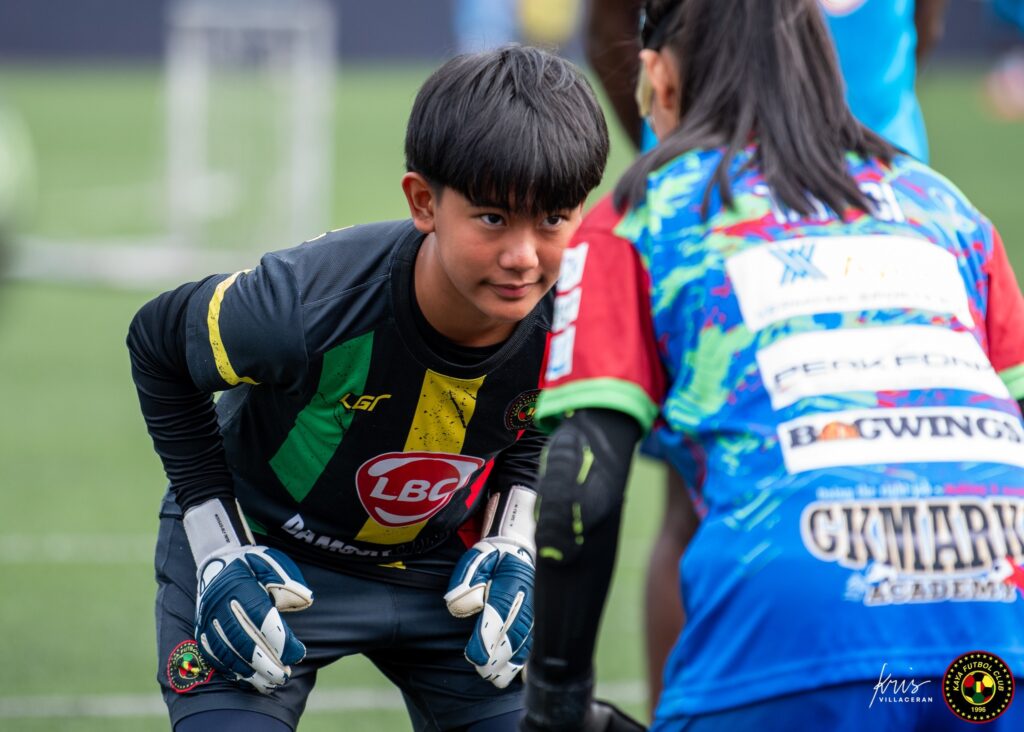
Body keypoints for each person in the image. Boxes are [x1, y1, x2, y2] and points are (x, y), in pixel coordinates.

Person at [524, 1, 1024, 730]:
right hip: (996, 639)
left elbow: (584, 482)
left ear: (659, 81)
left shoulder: (640, 214)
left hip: (788, 630)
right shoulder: (948, 209)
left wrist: (556, 706)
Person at [127, 45, 609, 732]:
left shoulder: (581, 310)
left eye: (553, 219)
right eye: (494, 218)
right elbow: (156, 343)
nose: (524, 256)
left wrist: (512, 537)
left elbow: (530, 419)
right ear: (423, 202)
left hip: (441, 571)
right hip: (263, 552)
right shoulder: (302, 305)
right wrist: (217, 544)